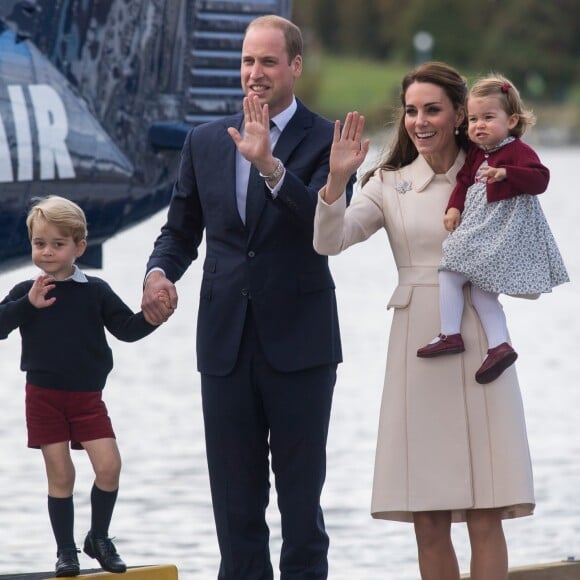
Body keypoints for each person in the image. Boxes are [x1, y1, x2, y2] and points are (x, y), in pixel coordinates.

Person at [141, 14, 354, 580]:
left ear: (295, 66)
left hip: (301, 348)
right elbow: (180, 231)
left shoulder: (332, 140)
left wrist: (269, 167)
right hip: (224, 347)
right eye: (246, 61)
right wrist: (159, 273)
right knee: (236, 510)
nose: (254, 73)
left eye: (267, 61)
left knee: (301, 509)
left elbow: (326, 231)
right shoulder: (205, 141)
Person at [313, 62, 535, 580]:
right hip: (418, 344)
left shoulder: (492, 172)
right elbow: (330, 241)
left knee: (487, 508)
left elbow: (525, 240)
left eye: (432, 109)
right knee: (428, 516)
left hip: (482, 341)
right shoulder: (388, 183)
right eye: (411, 111)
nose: (420, 121)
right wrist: (338, 178)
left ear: (460, 114)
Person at [0, 195, 163, 577]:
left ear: (80, 246)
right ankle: (65, 552)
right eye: (40, 244)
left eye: (58, 244)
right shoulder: (27, 289)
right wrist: (28, 305)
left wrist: (153, 316)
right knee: (62, 475)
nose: (48, 252)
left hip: (88, 398)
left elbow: (126, 329)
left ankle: (99, 538)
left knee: (109, 466)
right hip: (43, 398)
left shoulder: (96, 290)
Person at [417, 74, 569, 383]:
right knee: (484, 294)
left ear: (511, 120)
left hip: (500, 231)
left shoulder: (517, 151)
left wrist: (506, 173)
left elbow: (541, 179)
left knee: (449, 268)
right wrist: (454, 207)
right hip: (482, 226)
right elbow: (463, 181)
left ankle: (450, 333)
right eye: (473, 119)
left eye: (488, 117)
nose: (479, 125)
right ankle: (499, 346)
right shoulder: (475, 154)